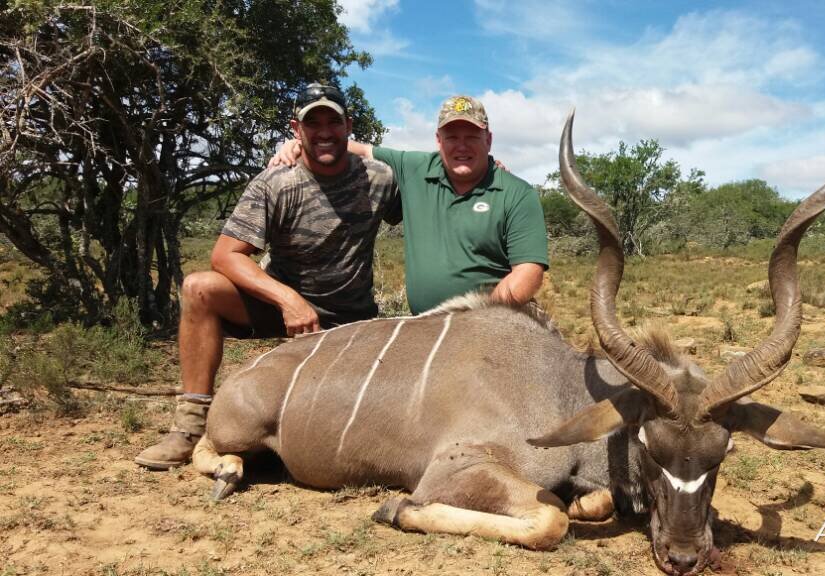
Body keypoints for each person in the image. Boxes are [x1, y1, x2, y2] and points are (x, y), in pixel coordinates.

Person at [135, 83, 400, 470]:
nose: (324, 131)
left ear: (349, 127)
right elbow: (225, 255)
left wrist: (490, 170)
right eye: (313, 123)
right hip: (284, 311)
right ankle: (189, 427)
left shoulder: (379, 179)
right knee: (199, 288)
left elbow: (434, 191)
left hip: (351, 321)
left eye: (333, 121)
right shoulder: (277, 182)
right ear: (297, 130)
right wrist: (288, 300)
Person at [272, 95, 548, 314]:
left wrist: (479, 319)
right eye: (452, 137)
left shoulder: (517, 193)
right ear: (438, 141)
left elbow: (528, 272)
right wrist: (301, 146)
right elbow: (359, 148)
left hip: (490, 325)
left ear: (488, 140)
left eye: (472, 137)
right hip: (422, 333)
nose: (461, 146)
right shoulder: (414, 167)